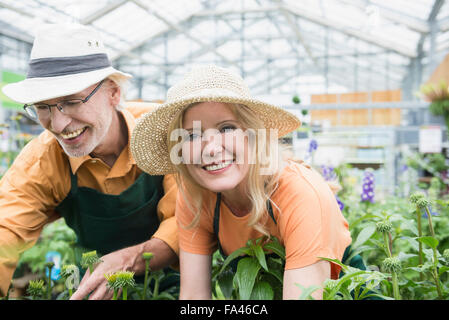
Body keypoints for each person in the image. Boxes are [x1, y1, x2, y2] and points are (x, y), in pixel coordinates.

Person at [130, 64, 352, 300]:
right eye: (192, 135)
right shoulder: (195, 196)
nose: (212, 149)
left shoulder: (300, 194)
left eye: (226, 128)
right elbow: (194, 299)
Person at [0, 23, 178, 300]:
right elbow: (5, 232)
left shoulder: (163, 131)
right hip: (89, 286)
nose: (58, 124)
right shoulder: (42, 160)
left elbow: (188, 221)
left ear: (113, 93)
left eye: (72, 101)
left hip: (170, 283)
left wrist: (125, 261)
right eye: (42, 107)